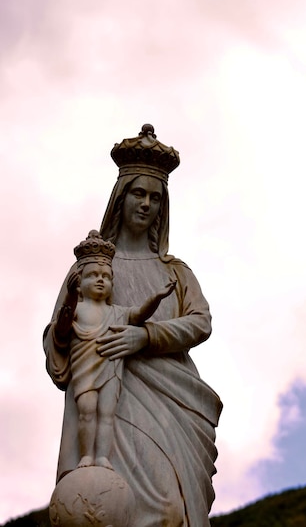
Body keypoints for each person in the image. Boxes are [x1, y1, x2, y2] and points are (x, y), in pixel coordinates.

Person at [44, 125, 222, 527]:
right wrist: (68, 333)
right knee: (102, 510)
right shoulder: (90, 268)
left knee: (169, 511)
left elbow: (200, 321)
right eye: (138, 194)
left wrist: (145, 336)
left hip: (170, 400)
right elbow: (58, 338)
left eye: (156, 198)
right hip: (107, 391)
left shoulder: (174, 272)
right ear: (120, 198)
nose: (147, 204)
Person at [57, 230, 176, 471]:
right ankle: (86, 456)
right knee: (87, 411)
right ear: (80, 283)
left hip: (111, 369)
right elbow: (61, 328)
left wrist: (157, 297)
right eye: (93, 276)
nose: (101, 280)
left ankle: (102, 456)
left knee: (107, 413)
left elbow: (140, 313)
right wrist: (69, 296)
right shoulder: (77, 308)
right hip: (84, 370)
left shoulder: (118, 313)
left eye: (106, 276)